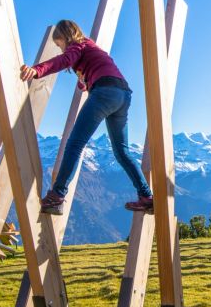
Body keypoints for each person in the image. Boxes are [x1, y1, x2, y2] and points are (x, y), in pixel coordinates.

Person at [19, 19, 153, 215]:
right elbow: (96, 70)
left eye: (59, 44)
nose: (60, 49)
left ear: (66, 37)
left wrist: (37, 70)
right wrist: (85, 83)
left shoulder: (78, 44)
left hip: (105, 92)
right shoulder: (90, 48)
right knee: (122, 152)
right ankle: (146, 197)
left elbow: (64, 60)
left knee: (75, 143)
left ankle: (57, 196)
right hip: (123, 95)